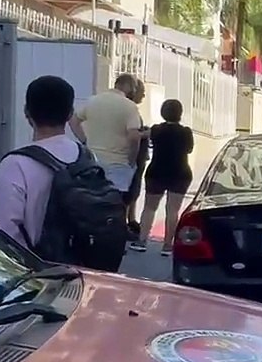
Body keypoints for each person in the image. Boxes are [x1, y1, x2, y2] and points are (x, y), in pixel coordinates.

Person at [0, 75, 128, 270]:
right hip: (83, 272)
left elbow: (0, 231)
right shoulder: (86, 156)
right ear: (70, 113)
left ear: (27, 112)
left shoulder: (16, 164)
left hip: (38, 276)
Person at [130, 98, 195, 255]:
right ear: (180, 113)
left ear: (163, 112)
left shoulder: (156, 129)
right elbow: (189, 150)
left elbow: (142, 135)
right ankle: (167, 245)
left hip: (156, 172)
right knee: (173, 210)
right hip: (180, 173)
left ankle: (142, 241)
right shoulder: (186, 132)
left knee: (149, 208)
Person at [69, 73, 145, 206]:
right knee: (115, 206)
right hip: (118, 163)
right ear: (129, 87)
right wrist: (132, 161)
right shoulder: (130, 107)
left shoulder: (93, 101)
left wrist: (85, 141)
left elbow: (73, 121)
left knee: (93, 203)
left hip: (93, 162)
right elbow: (134, 137)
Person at [125, 78, 150, 236]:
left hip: (139, 156)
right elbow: (132, 135)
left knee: (134, 189)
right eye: (142, 92)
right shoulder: (130, 110)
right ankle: (127, 222)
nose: (144, 95)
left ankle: (131, 219)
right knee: (130, 189)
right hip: (134, 156)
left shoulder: (132, 110)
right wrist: (146, 133)